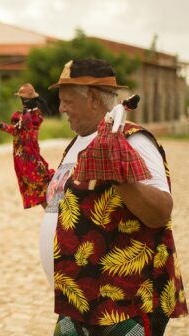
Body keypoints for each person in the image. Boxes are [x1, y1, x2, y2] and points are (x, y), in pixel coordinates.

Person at [41, 59, 187, 335]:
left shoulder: (133, 141)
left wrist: (119, 177)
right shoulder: (78, 142)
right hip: (78, 302)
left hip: (122, 307)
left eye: (67, 100)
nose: (61, 108)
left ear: (94, 99)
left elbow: (160, 212)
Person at [0, 83, 54, 208]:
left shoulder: (35, 115)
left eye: (25, 99)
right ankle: (49, 211)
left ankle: (51, 209)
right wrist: (4, 127)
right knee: (30, 183)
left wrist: (26, 112)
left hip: (30, 153)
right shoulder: (23, 114)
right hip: (20, 156)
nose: (23, 101)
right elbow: (16, 131)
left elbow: (28, 128)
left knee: (39, 180)